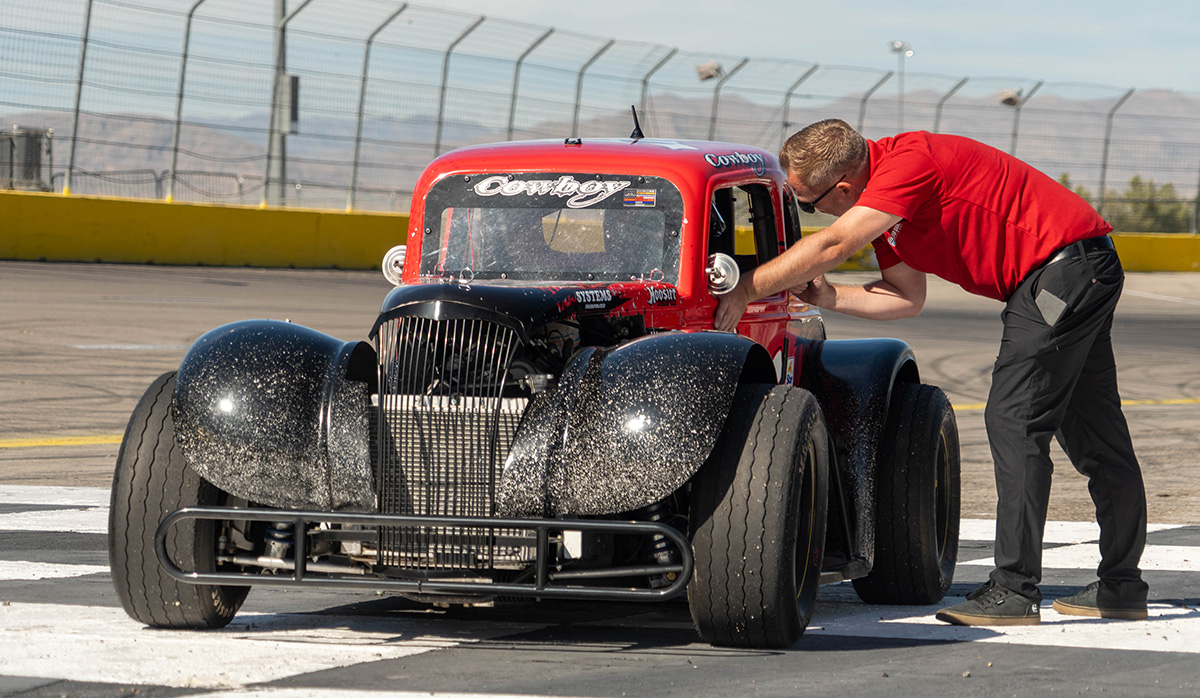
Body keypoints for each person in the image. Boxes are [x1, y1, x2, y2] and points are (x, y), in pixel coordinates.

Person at [715, 118, 1148, 626]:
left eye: (809, 204)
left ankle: (1014, 590)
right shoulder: (888, 213)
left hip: (1060, 273)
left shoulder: (908, 165)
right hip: (1075, 273)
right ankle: (1122, 587)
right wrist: (830, 297)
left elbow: (833, 245)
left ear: (846, 188)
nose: (811, 214)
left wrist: (747, 286)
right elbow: (905, 298)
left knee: (1014, 421)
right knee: (1098, 437)